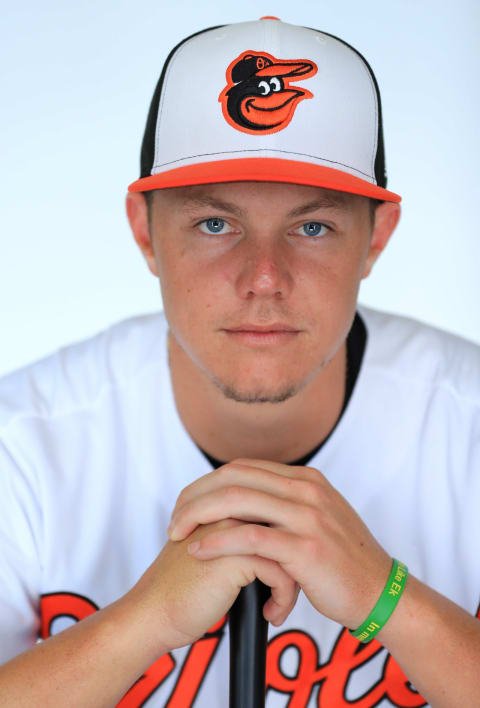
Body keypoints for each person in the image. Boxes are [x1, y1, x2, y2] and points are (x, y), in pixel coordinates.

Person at [0, 16, 479, 708]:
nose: (263, 278)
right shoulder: (23, 448)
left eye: (312, 227)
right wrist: (143, 625)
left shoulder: (467, 424)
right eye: (215, 224)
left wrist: (390, 600)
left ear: (376, 238)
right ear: (145, 231)